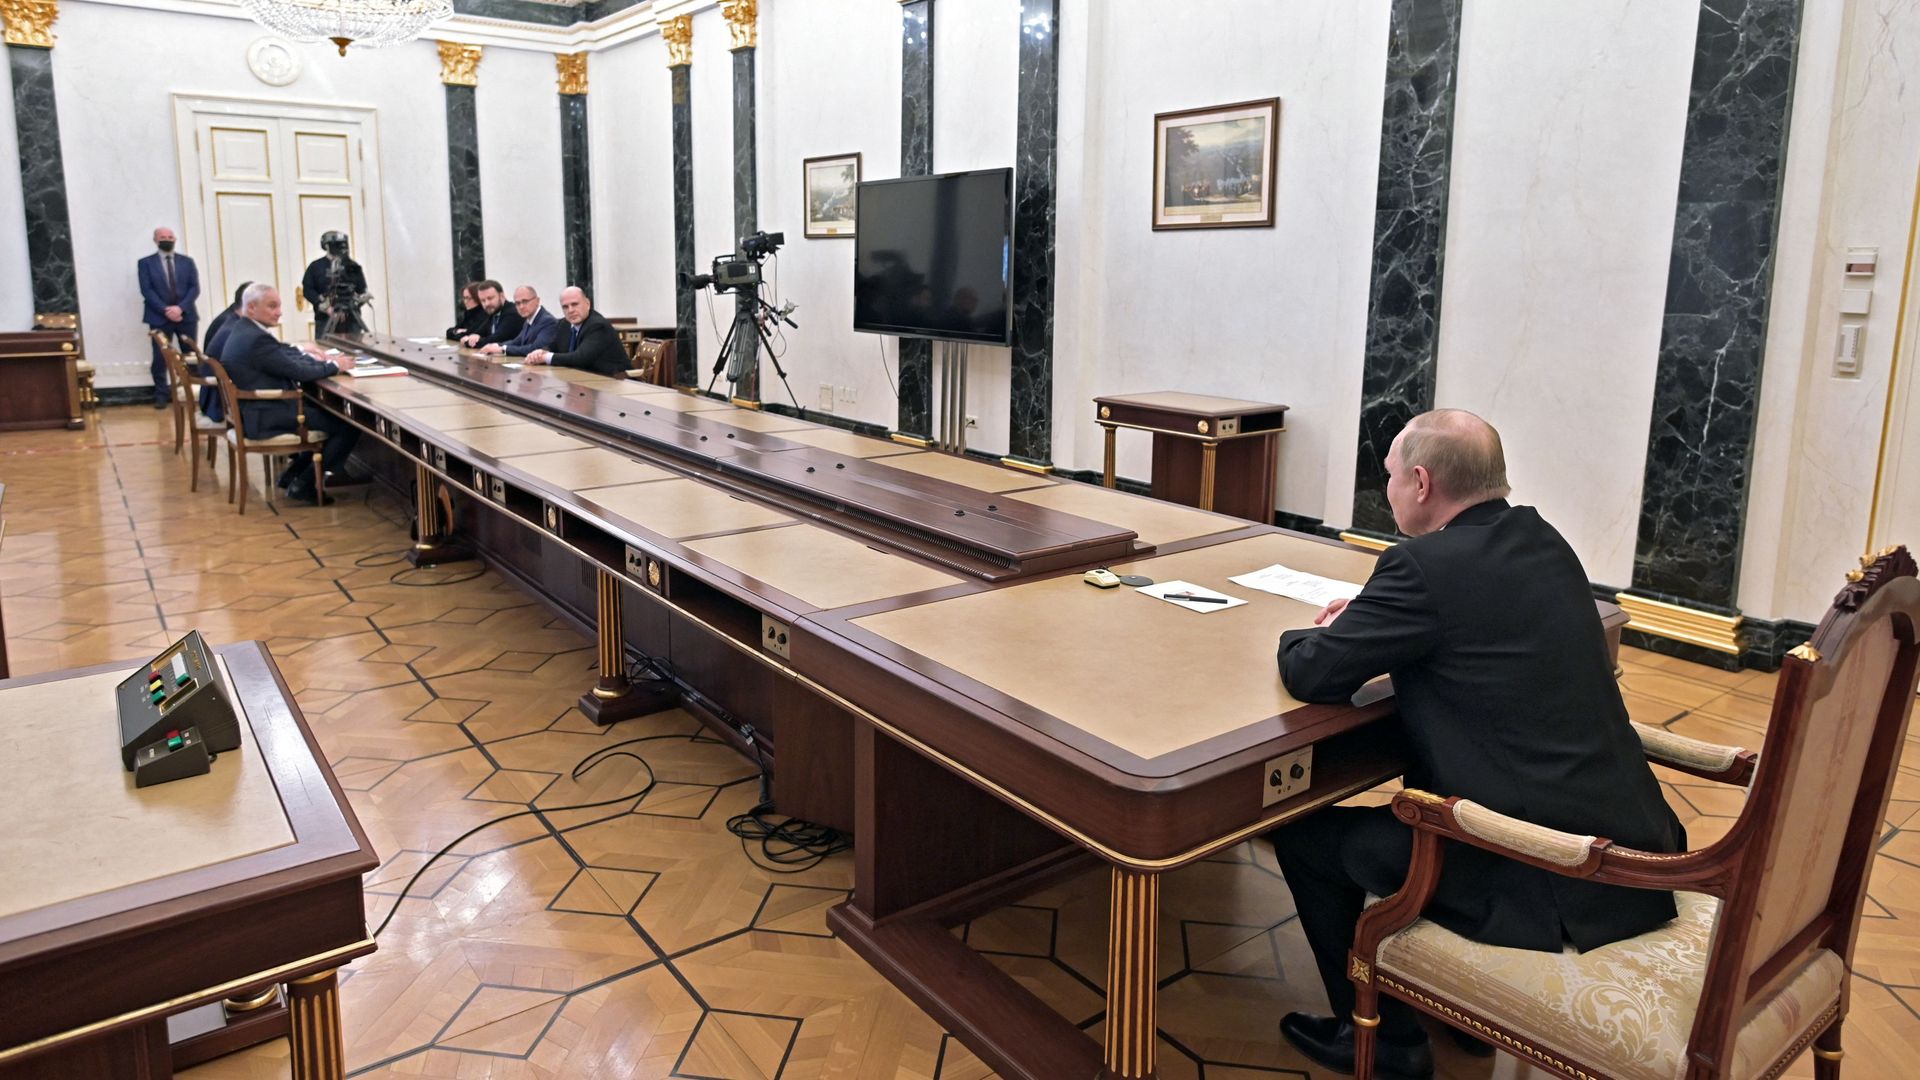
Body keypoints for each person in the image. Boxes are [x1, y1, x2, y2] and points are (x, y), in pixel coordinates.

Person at [1268, 409, 1685, 1080]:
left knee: (1304, 841)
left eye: (1392, 478)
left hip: (1539, 867)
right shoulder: (1544, 540)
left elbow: (1312, 673)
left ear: (1423, 482)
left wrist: (1302, 634)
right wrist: (1376, 618)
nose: (1390, 491)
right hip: (1633, 836)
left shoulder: (1422, 567)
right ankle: (1459, 1019)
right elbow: (1479, 628)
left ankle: (1386, 1043)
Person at [219, 283, 359, 505]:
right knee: (348, 425)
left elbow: (282, 354)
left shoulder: (245, 329)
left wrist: (313, 357)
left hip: (257, 411)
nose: (279, 312)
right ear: (252, 308)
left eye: (279, 306)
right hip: (267, 413)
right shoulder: (255, 338)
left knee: (327, 416)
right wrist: (335, 365)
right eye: (272, 306)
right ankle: (304, 484)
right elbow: (300, 372)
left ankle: (291, 476)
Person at [138, 227, 200, 408]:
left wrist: (180, 308)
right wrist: (166, 310)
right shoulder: (145, 263)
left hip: (186, 316)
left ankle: (194, 392)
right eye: (163, 237)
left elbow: (194, 288)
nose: (167, 239)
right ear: (155, 240)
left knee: (190, 356)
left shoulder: (187, 262)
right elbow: (146, 290)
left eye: (170, 237)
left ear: (175, 239)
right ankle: (161, 395)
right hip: (158, 317)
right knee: (160, 357)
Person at [527, 286, 626, 376]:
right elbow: (553, 346)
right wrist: (541, 352)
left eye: (575, 304)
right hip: (583, 378)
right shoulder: (564, 324)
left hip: (613, 380)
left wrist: (545, 357)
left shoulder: (598, 325)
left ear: (587, 304)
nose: (570, 310)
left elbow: (580, 358)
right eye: (565, 307)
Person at [198, 280, 251, 421]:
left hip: (214, 394)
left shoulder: (230, 319)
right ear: (251, 305)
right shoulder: (235, 327)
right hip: (219, 401)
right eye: (269, 305)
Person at [300, 231, 368, 334]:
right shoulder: (315, 267)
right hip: (325, 319)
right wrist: (324, 306)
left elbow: (361, 289)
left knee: (354, 348)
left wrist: (354, 304)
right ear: (326, 246)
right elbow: (308, 290)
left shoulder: (352, 266)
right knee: (325, 348)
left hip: (351, 320)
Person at [480, 286, 558, 358]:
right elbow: (517, 341)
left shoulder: (547, 321)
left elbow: (536, 348)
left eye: (525, 301)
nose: (521, 307)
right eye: (517, 303)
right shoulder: (529, 319)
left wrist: (503, 349)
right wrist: (497, 345)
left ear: (537, 301)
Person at [457, 280, 525, 349]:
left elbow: (496, 339)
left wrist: (468, 342)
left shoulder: (512, 313)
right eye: (483, 300)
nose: (487, 304)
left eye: (490, 298)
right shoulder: (493, 312)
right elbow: (478, 332)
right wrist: (473, 336)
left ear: (502, 296)